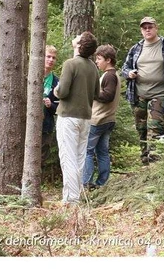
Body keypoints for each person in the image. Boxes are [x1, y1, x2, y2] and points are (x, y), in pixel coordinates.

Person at [121, 17, 164, 165]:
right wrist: (129, 73)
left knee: (155, 129)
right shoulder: (136, 48)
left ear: (156, 28)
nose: (147, 30)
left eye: (150, 27)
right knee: (142, 130)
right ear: (141, 30)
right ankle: (145, 159)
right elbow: (124, 68)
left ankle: (156, 163)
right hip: (139, 95)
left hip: (160, 94)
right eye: (144, 28)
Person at [54, 31, 100, 204]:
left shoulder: (70, 64)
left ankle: (71, 199)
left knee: (68, 157)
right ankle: (75, 196)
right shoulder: (93, 67)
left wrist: (55, 91)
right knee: (79, 158)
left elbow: (63, 91)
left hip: (68, 117)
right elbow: (97, 93)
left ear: (80, 45)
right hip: (85, 118)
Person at [83, 44, 121, 189]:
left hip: (98, 120)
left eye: (99, 59)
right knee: (102, 151)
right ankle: (101, 183)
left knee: (87, 151)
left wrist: (92, 92)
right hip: (108, 119)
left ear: (108, 60)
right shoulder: (112, 75)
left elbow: (108, 96)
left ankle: (86, 182)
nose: (97, 62)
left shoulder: (110, 75)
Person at [42, 45, 59, 164]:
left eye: (53, 58)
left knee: (42, 157)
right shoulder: (28, 77)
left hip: (46, 126)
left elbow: (60, 107)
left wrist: (50, 105)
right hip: (27, 124)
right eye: (48, 56)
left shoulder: (56, 82)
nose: (51, 60)